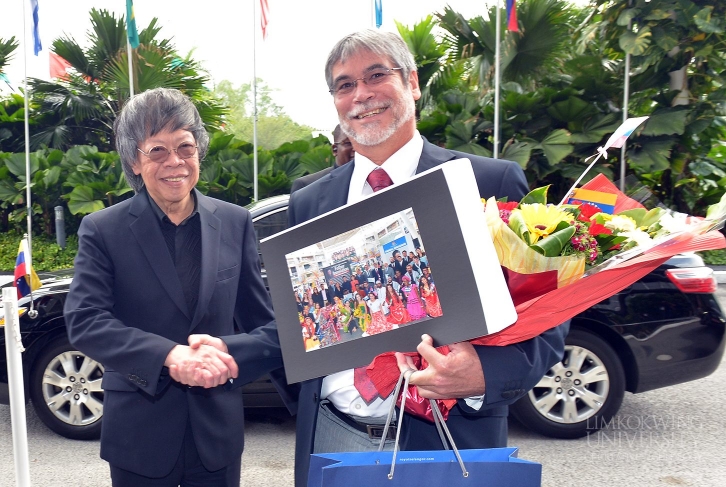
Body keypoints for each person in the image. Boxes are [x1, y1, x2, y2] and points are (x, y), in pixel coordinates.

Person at [282, 30, 569, 486]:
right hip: (333, 438)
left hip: (447, 442)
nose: (362, 94)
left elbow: (550, 315)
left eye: (377, 75)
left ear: (412, 83)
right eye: (344, 84)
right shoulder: (309, 200)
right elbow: (296, 326)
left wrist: (484, 374)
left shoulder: (488, 183)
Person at [63, 88, 282, 486]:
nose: (175, 162)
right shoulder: (103, 229)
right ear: (134, 160)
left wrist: (230, 354)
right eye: (157, 151)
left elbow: (266, 326)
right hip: (139, 434)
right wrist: (170, 355)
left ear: (199, 151)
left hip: (217, 436)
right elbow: (85, 320)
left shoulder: (235, 222)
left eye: (185, 147)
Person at [290, 124, 354, 193]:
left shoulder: (366, 179)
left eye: (362, 143)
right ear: (334, 150)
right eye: (348, 143)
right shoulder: (306, 185)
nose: (357, 148)